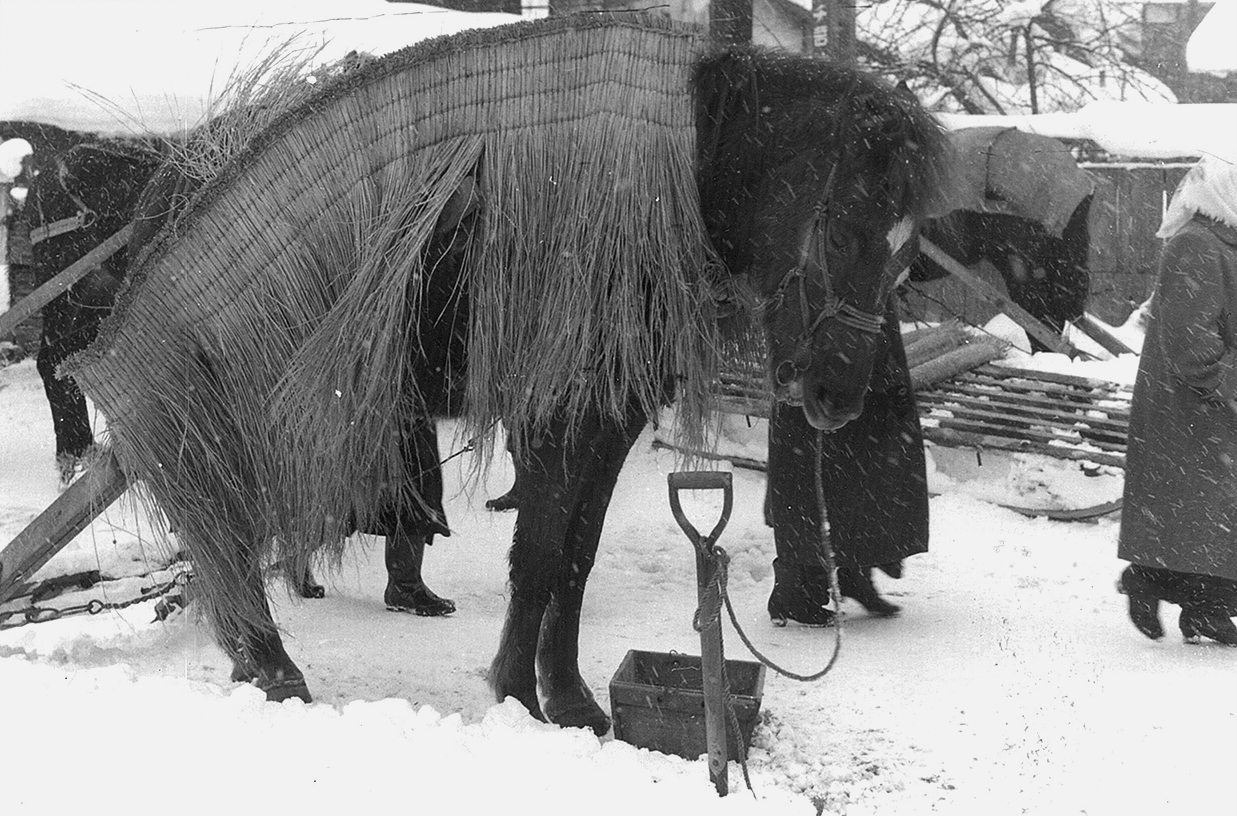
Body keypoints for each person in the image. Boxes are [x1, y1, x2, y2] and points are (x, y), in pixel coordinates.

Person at [1118, 154, 1237, 646]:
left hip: (1205, 411)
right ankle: (1158, 587)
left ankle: (1197, 606)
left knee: (1204, 518)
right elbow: (1192, 347)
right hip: (1193, 410)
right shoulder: (1198, 246)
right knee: (1202, 514)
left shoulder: (1223, 243)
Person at [764, 300, 929, 625]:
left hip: (857, 349)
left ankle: (856, 572)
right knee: (810, 484)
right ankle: (795, 595)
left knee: (862, 474)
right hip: (812, 358)